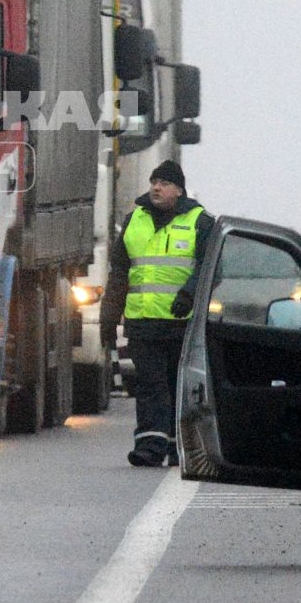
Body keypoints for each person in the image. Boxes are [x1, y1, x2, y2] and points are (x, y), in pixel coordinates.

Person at [99, 159, 215, 467]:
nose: (156, 187)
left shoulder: (200, 222)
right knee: (150, 385)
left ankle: (180, 448)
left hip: (182, 324)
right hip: (142, 323)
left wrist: (189, 294)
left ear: (179, 190)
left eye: (163, 183)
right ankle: (150, 446)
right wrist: (109, 317)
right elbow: (119, 274)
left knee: (178, 386)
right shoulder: (133, 220)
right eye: (154, 182)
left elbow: (210, 267)